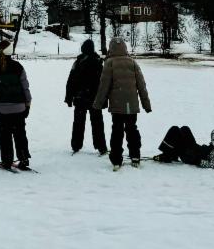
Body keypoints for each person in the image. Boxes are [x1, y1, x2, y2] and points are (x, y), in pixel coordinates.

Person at [92, 39, 151, 171]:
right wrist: (146, 104)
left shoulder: (109, 63)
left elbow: (104, 86)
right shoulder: (133, 62)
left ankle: (116, 159)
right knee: (132, 129)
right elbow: (142, 86)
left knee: (117, 131)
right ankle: (135, 155)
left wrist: (98, 104)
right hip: (132, 105)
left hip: (117, 105)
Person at [0, 40, 32, 170]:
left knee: (5, 136)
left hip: (3, 109)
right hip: (19, 107)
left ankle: (6, 160)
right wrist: (28, 104)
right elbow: (25, 87)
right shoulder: (18, 66)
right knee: (20, 134)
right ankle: (23, 158)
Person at [65, 39, 108, 156]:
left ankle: (76, 145)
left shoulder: (78, 62)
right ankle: (101, 146)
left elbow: (71, 81)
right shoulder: (98, 62)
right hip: (95, 98)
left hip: (81, 97)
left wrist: (68, 97)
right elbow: (104, 83)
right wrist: (104, 99)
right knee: (97, 123)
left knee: (78, 123)